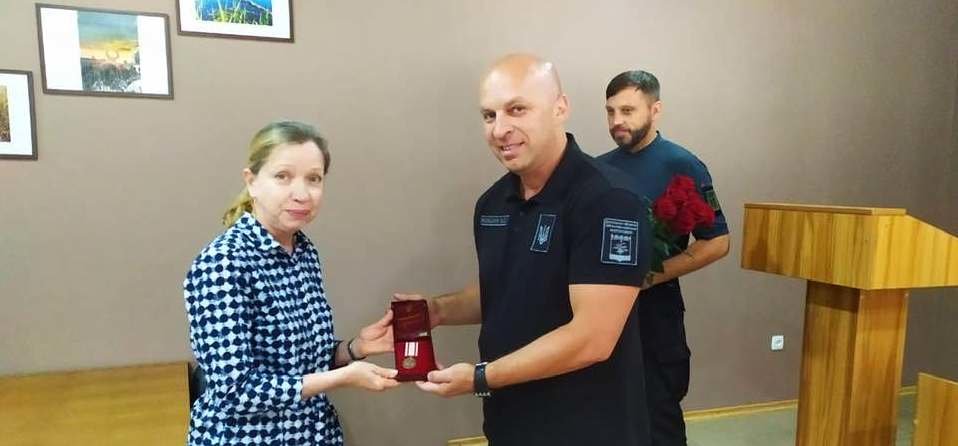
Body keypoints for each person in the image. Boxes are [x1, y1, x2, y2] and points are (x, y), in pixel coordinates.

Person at [400, 54, 653, 445]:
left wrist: (481, 377)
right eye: (489, 115)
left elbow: (592, 338)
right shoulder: (492, 204)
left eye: (517, 109)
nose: (500, 129)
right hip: (510, 422)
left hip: (588, 427)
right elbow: (505, 290)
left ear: (560, 108)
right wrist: (438, 310)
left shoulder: (609, 200)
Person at [184, 121, 399, 446]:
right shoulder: (223, 262)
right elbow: (235, 391)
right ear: (252, 182)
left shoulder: (303, 251)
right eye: (283, 176)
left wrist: (355, 349)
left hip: (313, 435)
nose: (301, 194)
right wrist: (340, 378)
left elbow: (301, 361)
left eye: (314, 179)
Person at [599, 70, 731, 446]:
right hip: (604, 312)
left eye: (627, 110)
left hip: (655, 316)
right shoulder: (596, 168)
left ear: (655, 110)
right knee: (608, 416)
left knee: (659, 420)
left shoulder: (682, 165)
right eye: (610, 111)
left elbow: (716, 242)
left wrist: (649, 277)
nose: (617, 121)